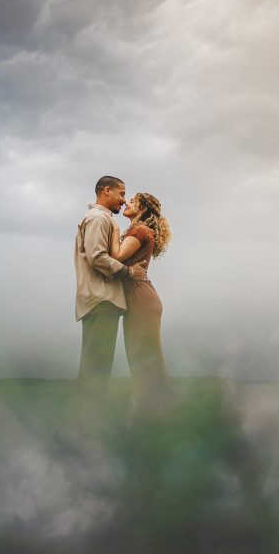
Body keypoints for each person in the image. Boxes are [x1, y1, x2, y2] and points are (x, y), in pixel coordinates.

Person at [109, 191, 174, 413]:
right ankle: (152, 409)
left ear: (143, 208)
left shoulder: (140, 230)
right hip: (139, 299)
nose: (127, 203)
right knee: (140, 357)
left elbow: (116, 257)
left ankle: (162, 409)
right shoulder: (138, 230)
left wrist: (112, 227)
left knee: (146, 358)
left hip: (141, 299)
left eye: (133, 201)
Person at [74, 176, 139, 388]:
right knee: (96, 366)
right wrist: (129, 272)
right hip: (102, 299)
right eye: (121, 194)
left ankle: (91, 406)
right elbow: (97, 257)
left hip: (100, 300)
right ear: (106, 191)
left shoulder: (100, 218)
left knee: (97, 365)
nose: (124, 200)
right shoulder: (98, 219)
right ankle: (90, 407)